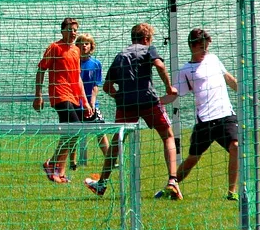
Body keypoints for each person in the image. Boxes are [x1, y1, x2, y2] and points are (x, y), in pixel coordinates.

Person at [84, 23, 180, 199]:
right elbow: (159, 66)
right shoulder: (148, 50)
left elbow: (107, 87)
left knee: (117, 142)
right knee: (167, 136)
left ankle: (102, 184)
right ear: (146, 38)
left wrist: (120, 97)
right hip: (148, 100)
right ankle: (172, 181)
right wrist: (169, 87)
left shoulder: (120, 55)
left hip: (126, 103)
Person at [161, 27, 240, 201]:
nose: (205, 50)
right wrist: (157, 102)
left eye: (207, 46)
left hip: (226, 116)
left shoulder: (213, 59)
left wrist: (242, 90)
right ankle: (170, 186)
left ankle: (231, 192)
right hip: (204, 121)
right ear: (192, 46)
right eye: (202, 46)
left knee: (235, 147)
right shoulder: (186, 70)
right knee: (192, 158)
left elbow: (228, 78)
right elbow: (175, 94)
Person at [33, 18, 93, 183]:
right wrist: (38, 95)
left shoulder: (76, 50)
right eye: (70, 29)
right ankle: (53, 164)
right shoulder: (54, 47)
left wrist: (85, 102)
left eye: (75, 30)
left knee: (72, 133)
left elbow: (78, 78)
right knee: (73, 129)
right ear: (62, 31)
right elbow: (41, 69)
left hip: (73, 96)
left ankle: (56, 168)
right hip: (59, 94)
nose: (73, 33)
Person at [68, 33, 111, 171]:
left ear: (91, 46)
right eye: (81, 43)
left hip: (91, 104)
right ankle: (72, 162)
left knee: (100, 130)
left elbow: (95, 85)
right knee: (73, 133)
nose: (84, 46)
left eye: (87, 43)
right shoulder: (73, 62)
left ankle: (110, 160)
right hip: (75, 103)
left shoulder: (96, 64)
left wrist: (92, 102)